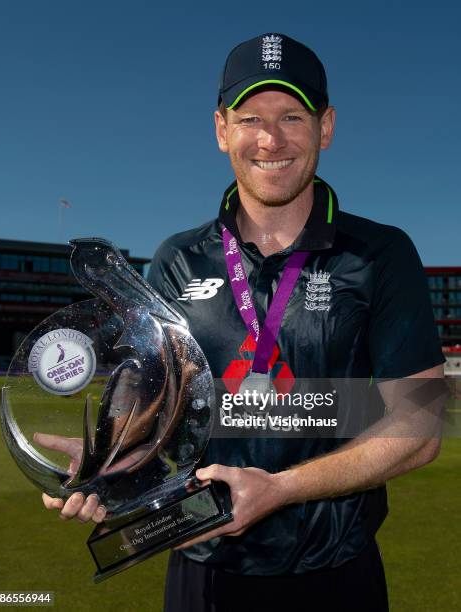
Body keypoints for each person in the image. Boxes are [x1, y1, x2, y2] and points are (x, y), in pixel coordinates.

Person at [40, 33, 445, 611]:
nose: (270, 139)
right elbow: (151, 406)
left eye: (293, 117)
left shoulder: (380, 253)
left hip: (336, 574)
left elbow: (420, 428)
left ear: (325, 127)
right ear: (221, 129)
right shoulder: (177, 259)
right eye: (250, 117)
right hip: (201, 571)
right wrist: (110, 463)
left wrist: (279, 490)